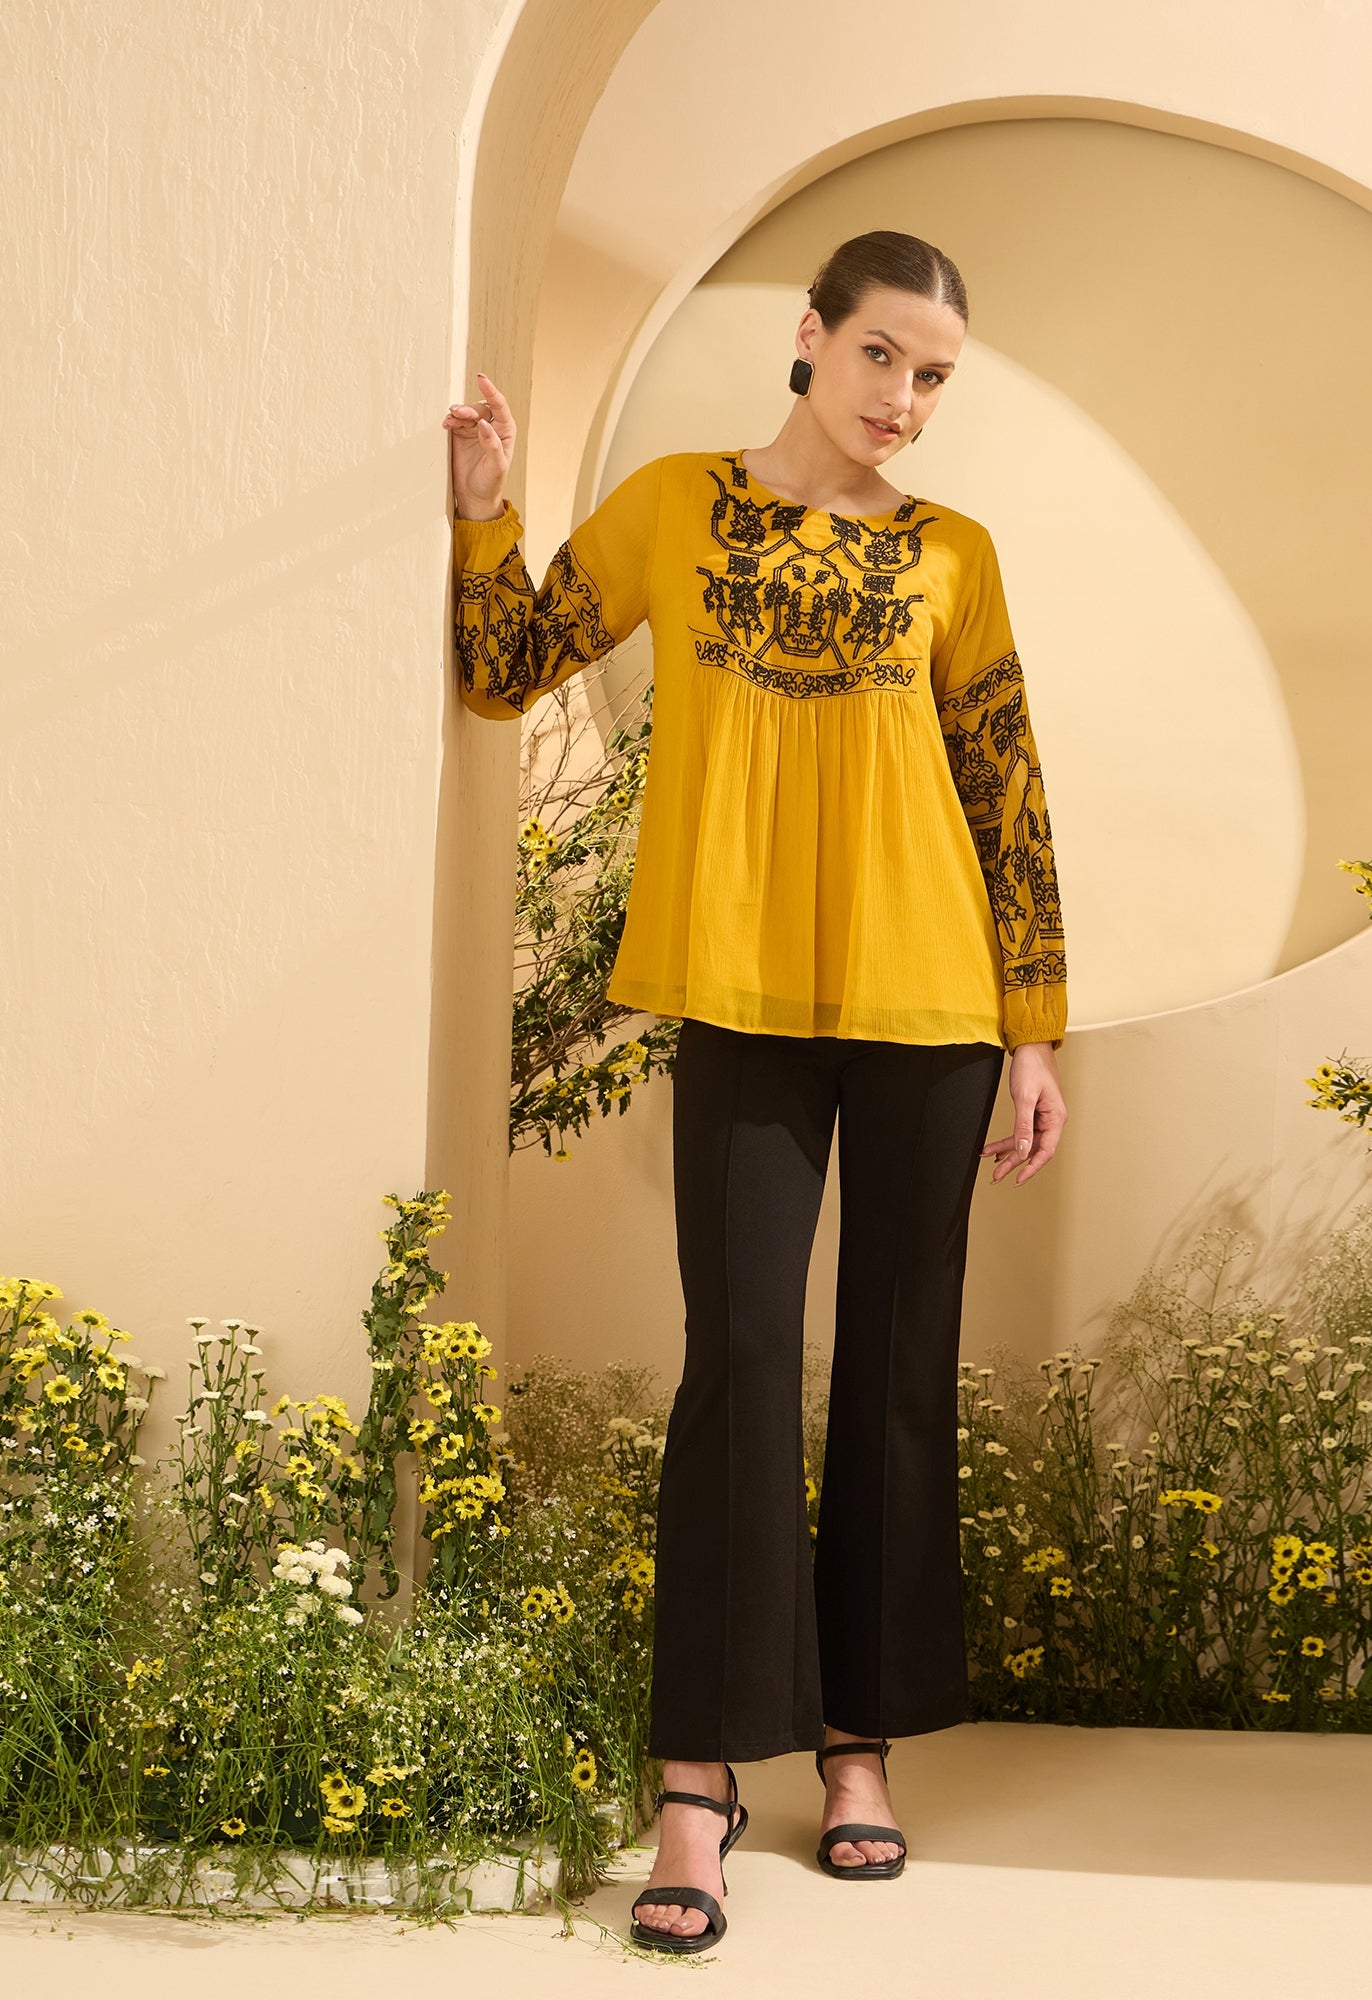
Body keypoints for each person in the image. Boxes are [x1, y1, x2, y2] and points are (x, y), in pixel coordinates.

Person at [443, 229, 1068, 1953]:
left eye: (933, 376)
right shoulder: (675, 505)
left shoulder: (955, 556)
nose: (905, 399)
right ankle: (697, 1782)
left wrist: (1032, 1031)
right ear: (810, 334)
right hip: (736, 998)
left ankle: (857, 1749)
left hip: (937, 1008)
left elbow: (1006, 788)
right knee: (737, 1369)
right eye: (881, 356)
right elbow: (505, 664)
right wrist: (486, 511)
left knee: (895, 1373)